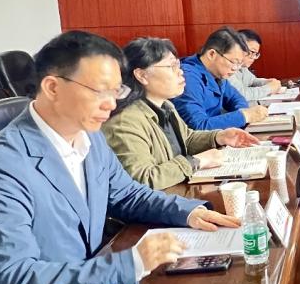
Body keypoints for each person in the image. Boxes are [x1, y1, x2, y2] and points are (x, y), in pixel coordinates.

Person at [0, 31, 239, 284]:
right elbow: (11, 281)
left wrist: (189, 212)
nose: (111, 104)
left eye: (116, 90)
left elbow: (127, 195)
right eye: (99, 91)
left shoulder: (89, 136)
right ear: (52, 87)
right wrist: (130, 264)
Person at [103, 37, 261, 189]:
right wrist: (197, 161)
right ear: (142, 75)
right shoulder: (125, 121)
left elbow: (187, 139)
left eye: (177, 65)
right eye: (171, 67)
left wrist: (219, 137)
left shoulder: (166, 105)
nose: (180, 72)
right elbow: (144, 178)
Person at [173, 27, 269, 130]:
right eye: (233, 62)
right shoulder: (188, 78)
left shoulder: (217, 73)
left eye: (239, 64)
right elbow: (198, 126)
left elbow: (236, 98)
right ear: (212, 54)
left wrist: (244, 112)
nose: (235, 68)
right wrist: (244, 116)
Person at [227, 28, 283, 103]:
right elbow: (241, 94)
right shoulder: (227, 67)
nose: (253, 58)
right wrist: (269, 88)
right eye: (252, 52)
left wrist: (268, 82)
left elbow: (252, 81)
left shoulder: (242, 66)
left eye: (256, 54)